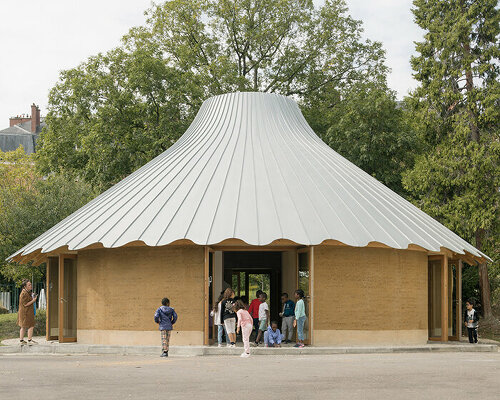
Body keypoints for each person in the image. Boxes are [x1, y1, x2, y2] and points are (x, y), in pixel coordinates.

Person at [17, 279, 38, 345]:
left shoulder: (27, 292)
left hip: (26, 312)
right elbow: (25, 304)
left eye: (31, 284)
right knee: (31, 325)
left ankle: (21, 340)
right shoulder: (23, 294)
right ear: (25, 286)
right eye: (29, 285)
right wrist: (33, 300)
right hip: (25, 313)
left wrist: (32, 295)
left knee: (23, 326)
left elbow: (29, 297)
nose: (31, 286)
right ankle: (29, 340)